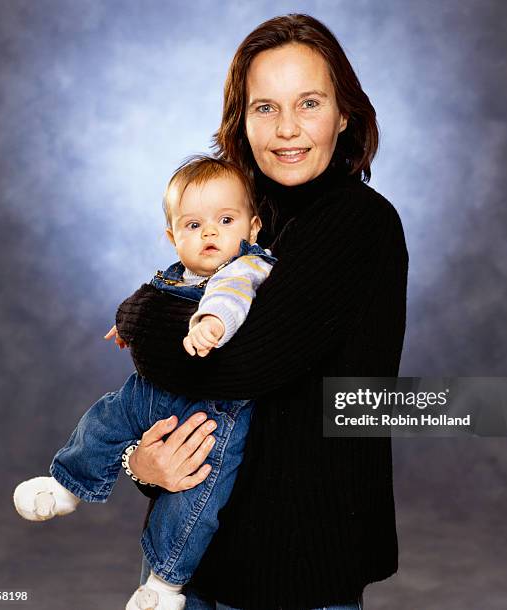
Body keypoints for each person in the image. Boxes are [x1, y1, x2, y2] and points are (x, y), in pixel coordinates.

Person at [116, 13, 408, 610]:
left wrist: (137, 315)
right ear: (241, 121)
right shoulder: (237, 214)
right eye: (265, 108)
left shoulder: (357, 223)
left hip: (300, 572)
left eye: (309, 102)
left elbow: (236, 363)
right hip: (191, 560)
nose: (287, 130)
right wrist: (142, 464)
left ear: (344, 113)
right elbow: (180, 387)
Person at [12, 156, 276, 610]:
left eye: (225, 220)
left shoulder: (246, 266)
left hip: (211, 412)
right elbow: (147, 299)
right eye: (193, 225)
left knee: (196, 494)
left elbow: (231, 297)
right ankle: (69, 483)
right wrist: (129, 324)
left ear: (252, 228)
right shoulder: (179, 271)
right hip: (150, 391)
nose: (210, 233)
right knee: (105, 416)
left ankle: (165, 583)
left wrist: (211, 322)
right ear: (173, 238)